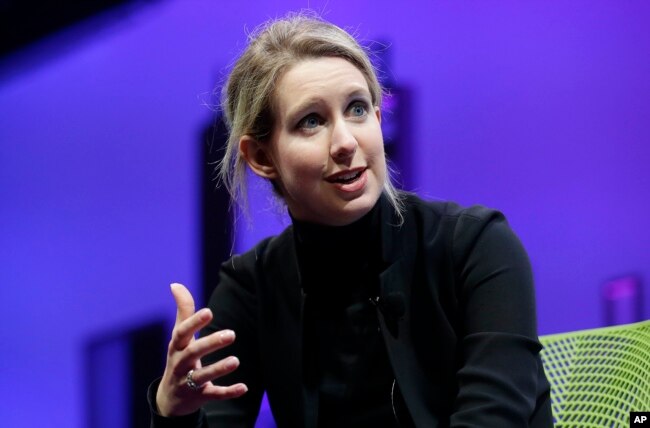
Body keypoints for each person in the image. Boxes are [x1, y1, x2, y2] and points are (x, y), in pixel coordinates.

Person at [148, 12, 553, 428]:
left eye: (357, 109)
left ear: (378, 121)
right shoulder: (252, 288)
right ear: (262, 158)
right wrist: (172, 412)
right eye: (312, 121)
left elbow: (493, 419)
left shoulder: (476, 246)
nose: (345, 142)